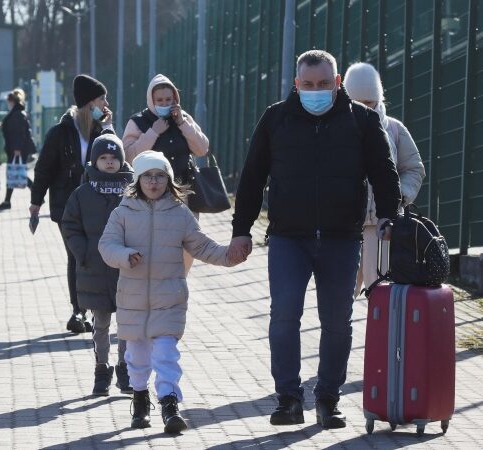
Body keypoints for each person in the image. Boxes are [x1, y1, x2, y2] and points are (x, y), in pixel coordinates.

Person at [227, 50, 401, 429]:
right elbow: (252, 177)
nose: (316, 91)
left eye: (324, 84)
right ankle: (288, 397)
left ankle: (328, 399)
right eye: (308, 85)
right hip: (289, 237)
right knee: (284, 316)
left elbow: (385, 172)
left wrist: (390, 215)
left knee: (337, 320)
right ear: (296, 85)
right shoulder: (276, 119)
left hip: (342, 237)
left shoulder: (363, 121)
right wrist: (241, 231)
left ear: (338, 83)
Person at [98, 150, 235, 434]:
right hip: (132, 299)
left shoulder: (179, 213)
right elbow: (107, 246)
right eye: (147, 176)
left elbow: (202, 246)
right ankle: (139, 399)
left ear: (169, 180)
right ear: (137, 180)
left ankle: (170, 404)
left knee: (165, 354)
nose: (153, 181)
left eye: (160, 176)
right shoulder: (122, 213)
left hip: (169, 298)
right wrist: (124, 255)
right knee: (136, 357)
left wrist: (229, 255)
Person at [30, 74, 115, 334]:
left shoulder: (102, 131)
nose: (105, 104)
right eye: (102, 99)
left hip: (97, 204)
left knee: (95, 254)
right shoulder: (61, 132)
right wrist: (35, 203)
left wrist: (109, 129)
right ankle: (78, 311)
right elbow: (44, 168)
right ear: (89, 103)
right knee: (77, 254)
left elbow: (117, 160)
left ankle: (94, 307)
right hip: (67, 205)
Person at [343, 62, 426, 296]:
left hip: (381, 227)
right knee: (338, 296)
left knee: (379, 292)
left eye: (369, 103)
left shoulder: (394, 129)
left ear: (378, 98)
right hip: (342, 225)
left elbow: (413, 169)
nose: (364, 109)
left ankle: (380, 333)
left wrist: (399, 197)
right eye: (357, 103)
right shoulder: (336, 129)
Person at [60, 134, 134, 396]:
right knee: (100, 323)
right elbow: (70, 225)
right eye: (103, 158)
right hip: (94, 268)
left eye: (114, 158)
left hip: (127, 268)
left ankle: (126, 368)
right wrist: (83, 253)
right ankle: (102, 369)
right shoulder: (83, 193)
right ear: (94, 160)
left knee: (127, 324)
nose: (109, 162)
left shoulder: (133, 191)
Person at [123, 74, 209, 273]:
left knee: (188, 244)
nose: (164, 104)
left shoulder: (184, 118)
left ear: (175, 99)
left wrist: (183, 125)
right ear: (151, 101)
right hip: (149, 195)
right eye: (159, 100)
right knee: (156, 244)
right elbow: (128, 156)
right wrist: (153, 132)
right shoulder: (138, 122)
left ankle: (179, 284)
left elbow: (202, 149)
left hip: (184, 194)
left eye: (168, 100)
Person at [0, 88, 36, 210]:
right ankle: (7, 201)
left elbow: (20, 133)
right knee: (15, 173)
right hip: (15, 148)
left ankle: (36, 192)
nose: (8, 103)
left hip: (17, 149)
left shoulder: (17, 114)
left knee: (16, 173)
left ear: (12, 101)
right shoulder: (17, 113)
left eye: (9, 101)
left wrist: (17, 148)